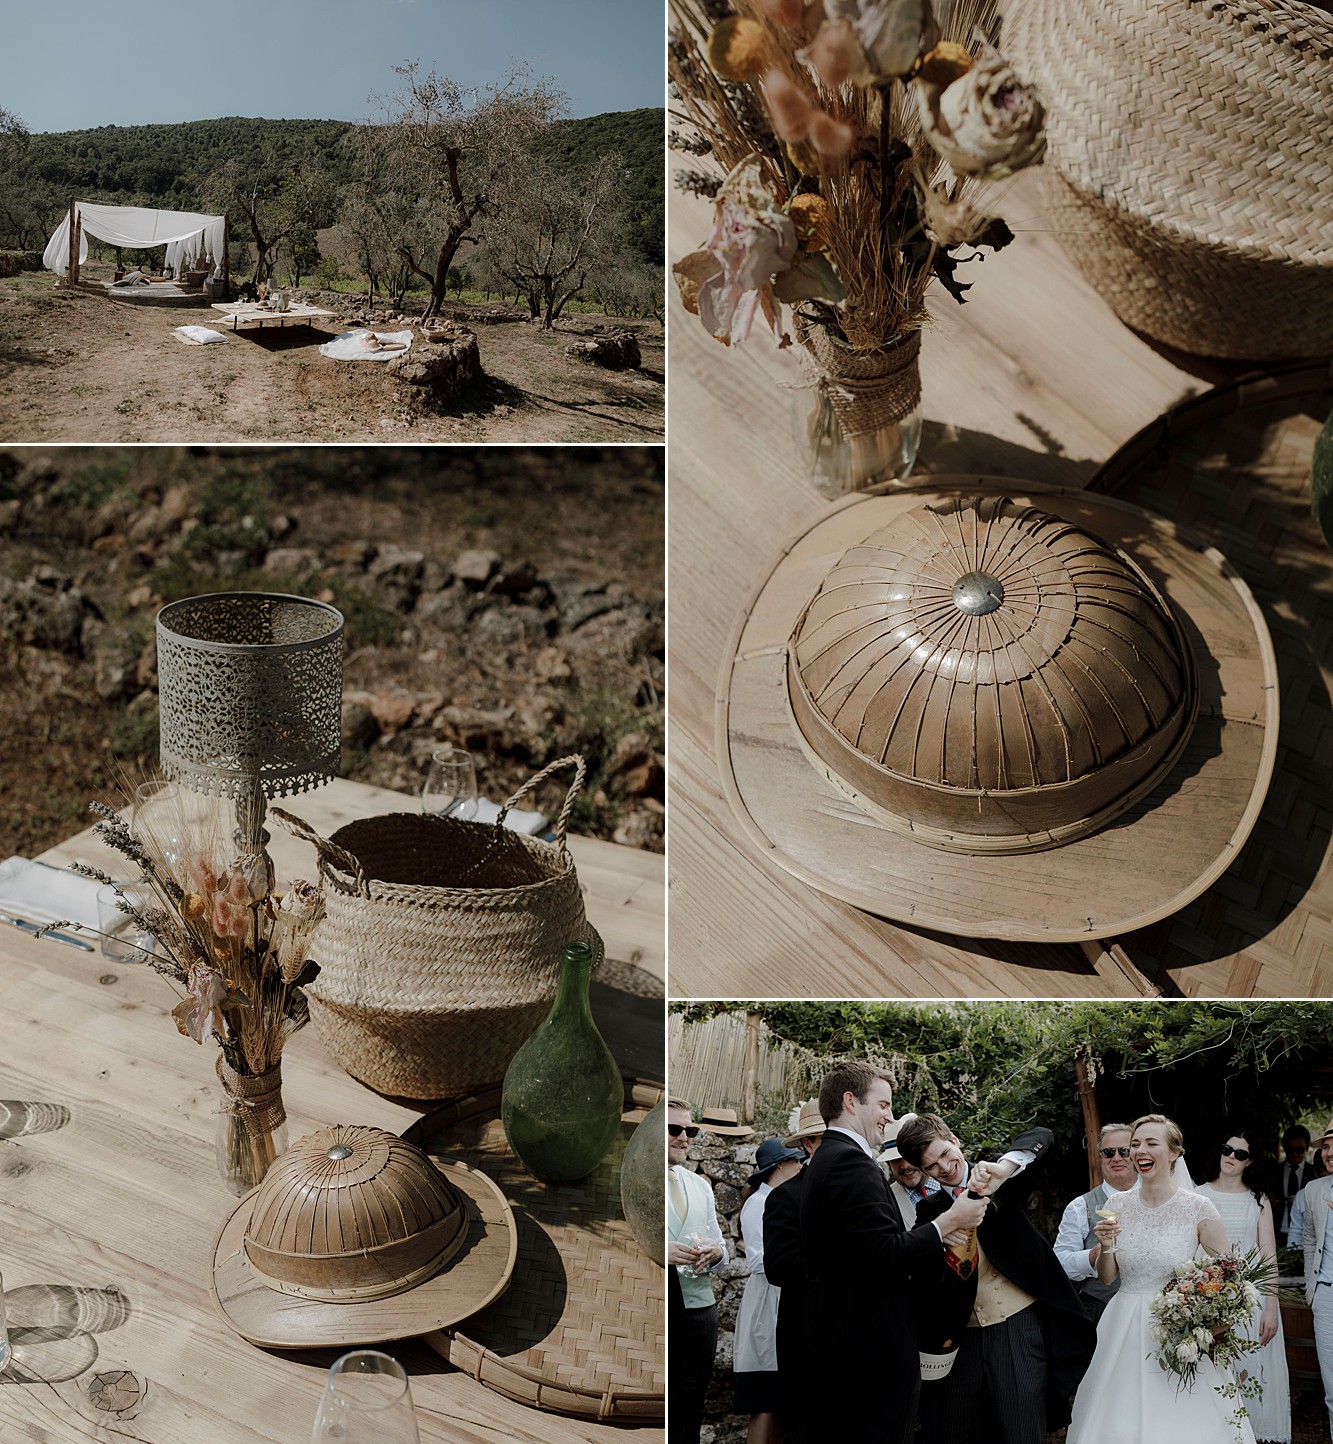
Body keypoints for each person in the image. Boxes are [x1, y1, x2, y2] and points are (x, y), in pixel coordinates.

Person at [799, 1063, 987, 1444]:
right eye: (883, 1105)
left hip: (843, 1334)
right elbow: (883, 1254)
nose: (889, 1115)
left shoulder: (828, 1158)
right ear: (851, 1102)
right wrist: (949, 1221)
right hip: (869, 1341)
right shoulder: (851, 1162)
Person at [898, 1113, 1096, 1444]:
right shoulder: (931, 1213)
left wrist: (1003, 1169)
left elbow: (1042, 1134)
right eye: (932, 1166)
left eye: (946, 1154)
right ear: (921, 1171)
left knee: (1022, 1430)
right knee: (954, 1431)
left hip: (1018, 1327)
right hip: (963, 1340)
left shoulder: (999, 1179)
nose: (945, 1168)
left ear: (955, 1140)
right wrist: (940, 1236)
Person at [1067, 1113, 1257, 1444]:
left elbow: (1228, 1278)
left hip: (1176, 1332)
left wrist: (1207, 1326)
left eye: (1151, 1143)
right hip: (1122, 1327)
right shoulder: (1117, 1204)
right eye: (1135, 1144)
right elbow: (1108, 1278)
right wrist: (1107, 1245)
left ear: (1174, 1153)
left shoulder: (1199, 1207)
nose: (1139, 1150)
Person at [1197, 1126, 1289, 1443]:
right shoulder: (1198, 1195)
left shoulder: (1257, 1200)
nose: (1231, 1157)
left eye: (1240, 1154)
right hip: (1206, 1297)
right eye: (1227, 1149)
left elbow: (1269, 1256)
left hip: (1251, 1302)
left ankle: (1247, 1435)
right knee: (1211, 1373)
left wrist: (1272, 1309)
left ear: (1249, 1162)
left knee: (1248, 1370)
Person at [734, 1137, 804, 1444]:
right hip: (767, 1301)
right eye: (796, 1161)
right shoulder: (758, 1203)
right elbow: (758, 1259)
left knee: (780, 1401)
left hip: (785, 1297)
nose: (801, 1166)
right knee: (765, 1398)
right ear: (780, 1166)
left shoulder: (784, 1199)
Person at [762, 1098, 824, 1444]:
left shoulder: (863, 1185)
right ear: (807, 1144)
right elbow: (779, 1268)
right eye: (822, 1139)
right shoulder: (786, 1197)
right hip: (804, 1334)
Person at [668, 1097, 728, 1444]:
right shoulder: (645, 1180)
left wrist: (715, 1253)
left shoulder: (701, 1186)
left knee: (693, 1402)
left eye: (690, 1130)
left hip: (701, 1309)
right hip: (665, 1308)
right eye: (674, 1129)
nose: (684, 1137)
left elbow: (723, 1250)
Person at [1054, 1122, 1139, 1326]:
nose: (1116, 1158)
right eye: (1109, 1152)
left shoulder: (1158, 1200)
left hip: (1153, 1308)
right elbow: (1060, 1261)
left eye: (1124, 1151)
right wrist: (1091, 1257)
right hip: (1100, 1309)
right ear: (1100, 1157)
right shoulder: (1080, 1206)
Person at [1299, 1118, 1333, 1439]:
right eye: (1325, 1146)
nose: (1329, 1152)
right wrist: (1313, 1289)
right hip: (1325, 1295)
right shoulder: (1313, 1190)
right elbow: (1310, 1239)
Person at [879, 1114, 942, 1227]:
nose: (905, 1165)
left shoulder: (956, 1183)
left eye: (909, 1156)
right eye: (896, 1160)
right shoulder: (885, 1203)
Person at [1278, 1126, 1315, 1248]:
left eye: (1299, 1150)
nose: (1294, 1154)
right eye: (1290, 1150)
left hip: (1305, 1238)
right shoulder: (1273, 1171)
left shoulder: (1315, 1174)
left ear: (1307, 1147)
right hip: (1276, 1234)